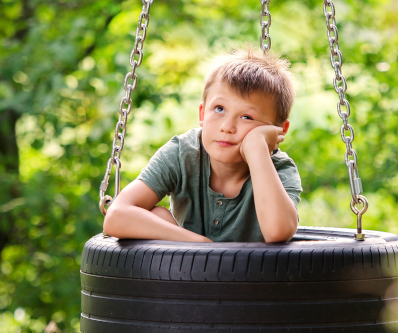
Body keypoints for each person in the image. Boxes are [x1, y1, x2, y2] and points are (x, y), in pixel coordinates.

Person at [103, 46, 302, 242]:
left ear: (280, 130)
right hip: (185, 263)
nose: (227, 127)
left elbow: (278, 232)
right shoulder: (182, 153)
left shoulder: (279, 169)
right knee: (155, 216)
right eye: (219, 109)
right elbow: (116, 217)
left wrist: (257, 148)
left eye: (247, 117)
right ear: (202, 114)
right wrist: (201, 246)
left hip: (251, 265)